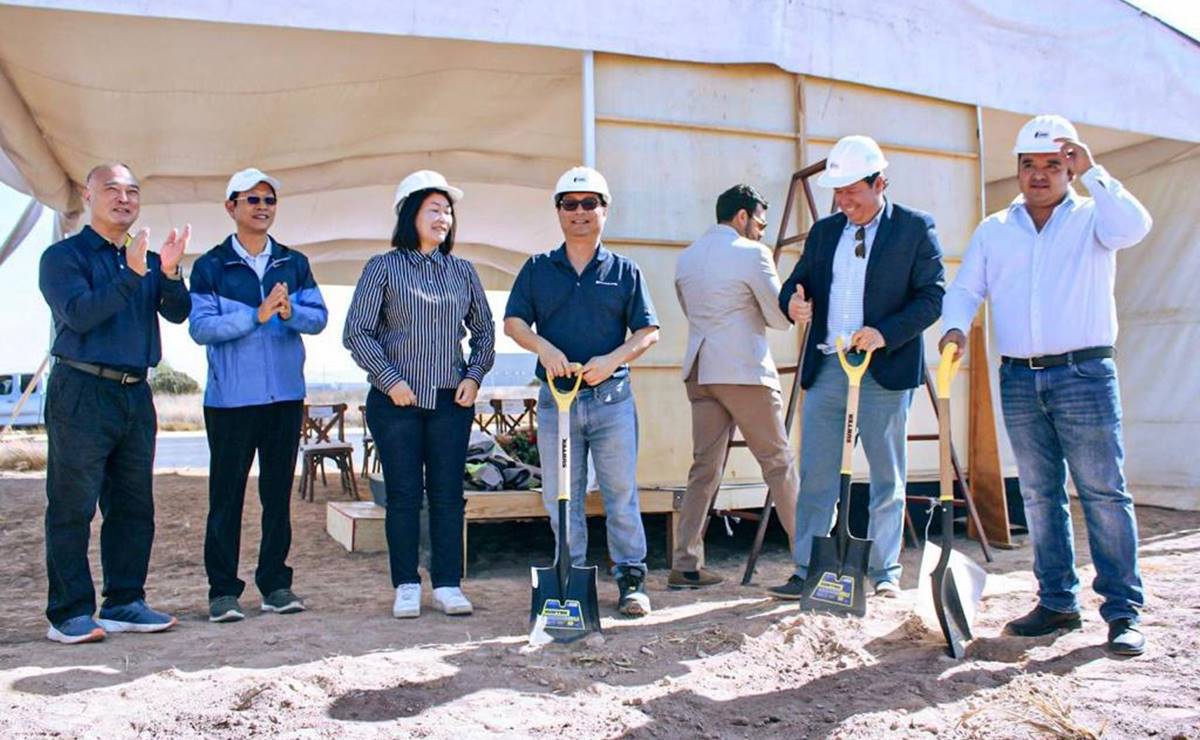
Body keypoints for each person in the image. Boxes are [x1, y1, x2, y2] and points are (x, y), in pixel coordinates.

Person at [940, 114, 1153, 655]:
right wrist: (954, 328)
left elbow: (1135, 227)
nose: (1040, 176)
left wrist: (1095, 172)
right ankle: (1057, 603)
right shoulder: (995, 229)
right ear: (1016, 169)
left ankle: (1123, 612)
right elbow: (966, 288)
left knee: (1104, 493)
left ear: (1070, 168)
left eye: (1054, 165)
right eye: (1030, 165)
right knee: (1038, 495)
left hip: (1084, 373)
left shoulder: (1094, 219)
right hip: (1019, 377)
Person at [769, 135, 945, 600]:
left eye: (852, 190)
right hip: (829, 369)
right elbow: (795, 283)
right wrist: (794, 303)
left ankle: (884, 572)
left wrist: (884, 332)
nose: (844, 201)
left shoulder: (914, 228)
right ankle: (809, 568)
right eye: (838, 192)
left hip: (884, 371)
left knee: (887, 475)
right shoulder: (825, 232)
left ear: (880, 182)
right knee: (817, 476)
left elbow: (932, 297)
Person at [38, 163, 192, 644]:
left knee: (132, 507)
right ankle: (69, 614)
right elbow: (80, 315)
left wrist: (168, 272)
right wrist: (132, 273)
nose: (124, 199)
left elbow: (178, 312)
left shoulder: (142, 260)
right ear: (88, 196)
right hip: (81, 391)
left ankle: (125, 601)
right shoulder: (63, 257)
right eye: (112, 190)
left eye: (132, 191)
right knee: (72, 507)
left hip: (135, 393)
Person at [504, 166, 660, 617]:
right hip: (559, 402)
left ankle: (631, 580)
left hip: (611, 401)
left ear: (604, 211)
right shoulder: (537, 269)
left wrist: (612, 360)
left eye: (589, 203)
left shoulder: (625, 271)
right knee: (561, 496)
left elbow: (648, 332)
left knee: (620, 496)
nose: (580, 212)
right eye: (570, 204)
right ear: (558, 212)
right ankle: (570, 577)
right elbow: (514, 322)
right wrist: (545, 348)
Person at [344, 170, 495, 619]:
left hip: (452, 400)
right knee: (405, 495)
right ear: (409, 213)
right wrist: (390, 379)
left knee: (449, 495)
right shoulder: (382, 268)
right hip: (396, 403)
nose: (444, 217)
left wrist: (474, 375)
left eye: (448, 211)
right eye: (434, 209)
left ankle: (448, 583)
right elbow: (357, 331)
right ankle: (407, 583)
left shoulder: (463, 271)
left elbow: (485, 331)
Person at [188, 168, 329, 623]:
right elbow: (201, 328)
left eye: (269, 200)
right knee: (226, 497)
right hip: (230, 402)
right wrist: (258, 314)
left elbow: (319, 317)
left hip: (284, 398)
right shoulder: (210, 265)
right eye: (252, 200)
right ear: (231, 207)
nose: (262, 207)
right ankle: (223, 591)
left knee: (277, 495)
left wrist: (289, 312)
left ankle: (276, 585)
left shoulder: (293, 262)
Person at [671, 184, 797, 589]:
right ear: (741, 216)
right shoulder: (752, 253)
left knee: (703, 470)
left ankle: (685, 563)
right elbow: (779, 317)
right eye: (759, 221)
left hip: (701, 369)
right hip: (743, 370)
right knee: (778, 464)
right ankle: (810, 560)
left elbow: (690, 311)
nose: (762, 230)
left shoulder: (687, 258)